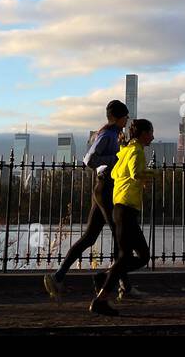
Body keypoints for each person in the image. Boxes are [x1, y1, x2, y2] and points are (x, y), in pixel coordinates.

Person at [44, 99, 133, 299]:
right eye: (126, 116)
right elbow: (89, 159)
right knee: (120, 235)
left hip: (103, 189)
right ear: (119, 117)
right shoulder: (108, 135)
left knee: (90, 237)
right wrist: (116, 159)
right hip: (107, 189)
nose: (127, 120)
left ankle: (58, 277)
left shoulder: (111, 134)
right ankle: (123, 286)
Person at [90, 118, 153, 316]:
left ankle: (107, 278)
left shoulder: (124, 151)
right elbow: (135, 173)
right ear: (143, 134)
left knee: (134, 255)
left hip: (120, 207)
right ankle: (101, 298)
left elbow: (117, 174)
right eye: (151, 132)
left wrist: (135, 180)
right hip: (126, 208)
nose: (153, 136)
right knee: (136, 256)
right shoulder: (136, 151)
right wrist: (153, 174)